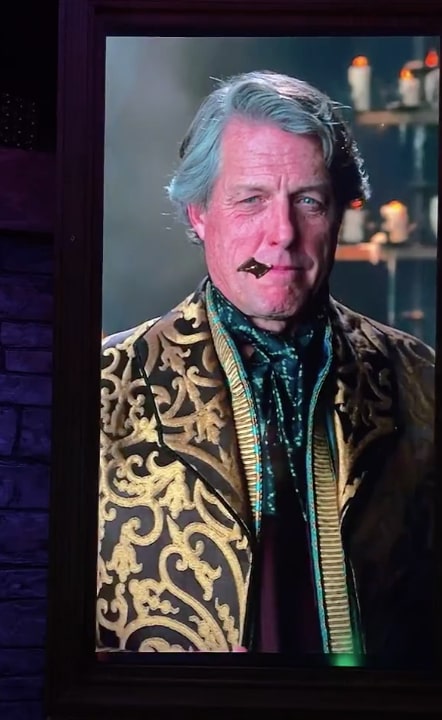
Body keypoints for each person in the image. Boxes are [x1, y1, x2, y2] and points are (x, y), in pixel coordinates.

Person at [97, 70, 435, 662]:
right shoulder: (100, 387)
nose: (282, 234)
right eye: (251, 199)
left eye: (308, 201)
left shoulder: (420, 379)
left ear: (339, 215)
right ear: (199, 213)